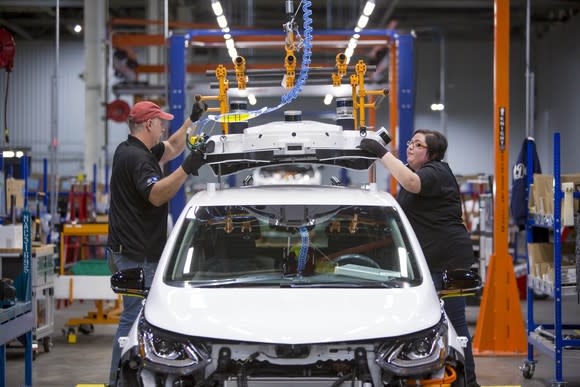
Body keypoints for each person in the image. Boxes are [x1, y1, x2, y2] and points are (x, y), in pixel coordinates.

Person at [359, 129, 479, 387]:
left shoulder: (436, 172)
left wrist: (381, 152)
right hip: (429, 261)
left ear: (432, 153)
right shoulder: (415, 173)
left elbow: (411, 182)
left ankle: (469, 382)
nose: (410, 147)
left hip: (449, 262)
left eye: (418, 144)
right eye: (410, 142)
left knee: (455, 326)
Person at [106, 97, 207, 386]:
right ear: (148, 123)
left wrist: (192, 120)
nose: (163, 128)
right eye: (160, 123)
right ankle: (117, 380)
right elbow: (157, 194)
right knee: (132, 321)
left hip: (130, 250)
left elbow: (174, 148)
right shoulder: (137, 159)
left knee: (137, 319)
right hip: (136, 256)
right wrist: (187, 169)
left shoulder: (133, 150)